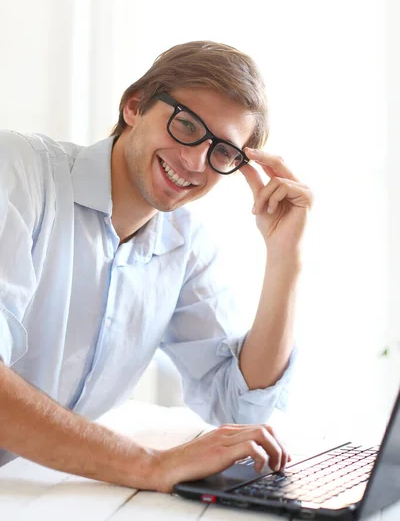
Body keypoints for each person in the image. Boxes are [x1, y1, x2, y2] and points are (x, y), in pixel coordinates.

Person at [0, 41, 313, 492]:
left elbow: (240, 407)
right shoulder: (19, 174)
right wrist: (148, 465)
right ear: (134, 106)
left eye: (223, 151)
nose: (194, 161)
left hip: (32, 491)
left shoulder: (186, 246)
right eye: (186, 125)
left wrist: (286, 257)